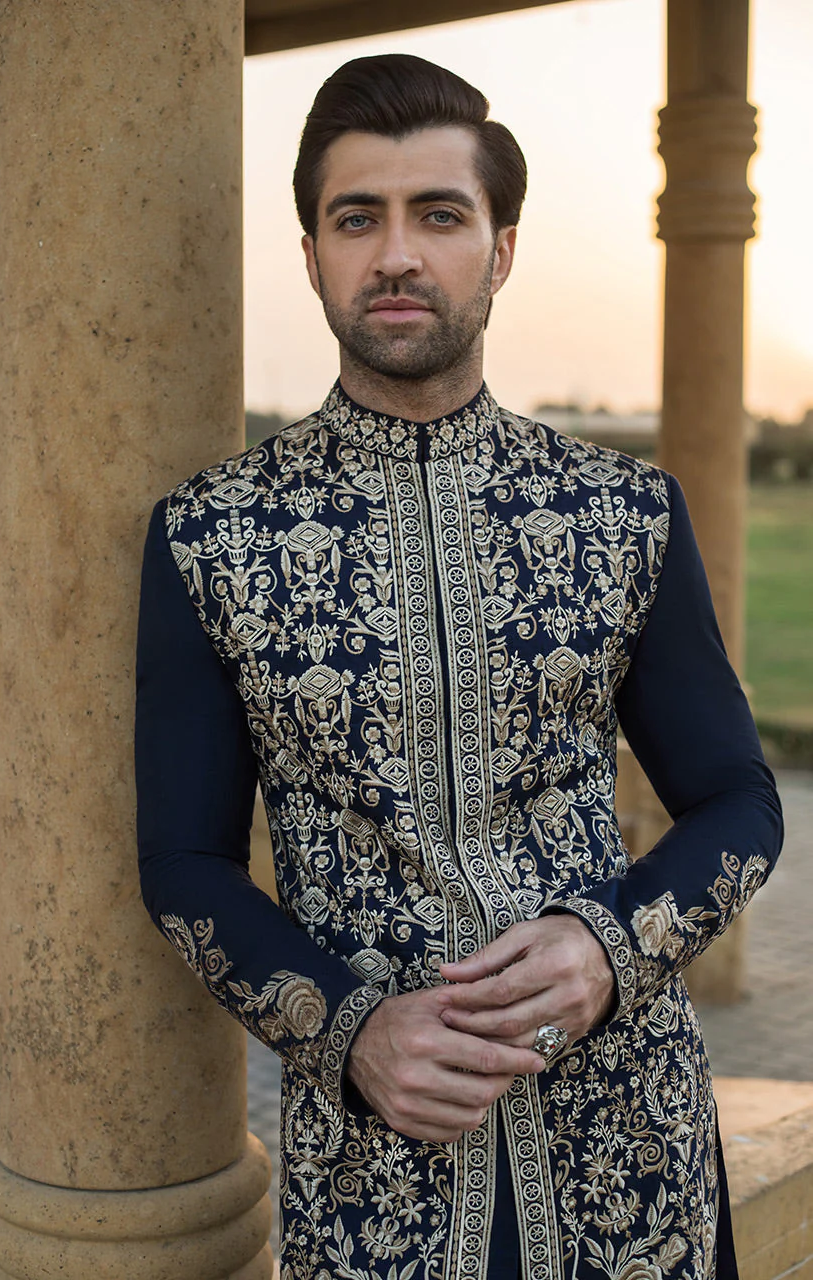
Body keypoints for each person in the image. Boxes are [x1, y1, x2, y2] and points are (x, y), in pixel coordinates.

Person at [134, 53, 783, 1280]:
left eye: (439, 214)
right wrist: (349, 1033)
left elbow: (739, 802)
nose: (396, 254)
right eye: (356, 218)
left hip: (629, 1143)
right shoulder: (212, 536)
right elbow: (183, 862)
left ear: (501, 249)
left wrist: (609, 945)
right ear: (312, 254)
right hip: (378, 1170)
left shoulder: (621, 512)